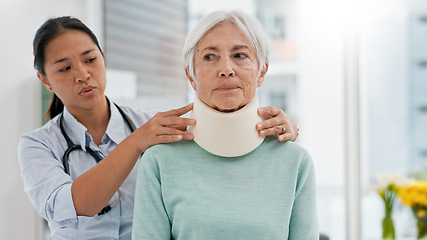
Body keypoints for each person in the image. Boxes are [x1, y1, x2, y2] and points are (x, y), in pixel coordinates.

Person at [17, 16, 300, 240]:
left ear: (103, 57)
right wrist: (136, 142)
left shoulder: (153, 124)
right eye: (64, 69)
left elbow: (221, 122)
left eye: (90, 59)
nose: (82, 74)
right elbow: (75, 205)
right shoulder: (38, 145)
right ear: (45, 80)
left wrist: (283, 125)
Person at [132, 10, 318, 240]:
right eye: (210, 57)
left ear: (262, 72)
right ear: (191, 76)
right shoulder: (158, 162)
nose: (226, 69)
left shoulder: (296, 163)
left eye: (240, 55)